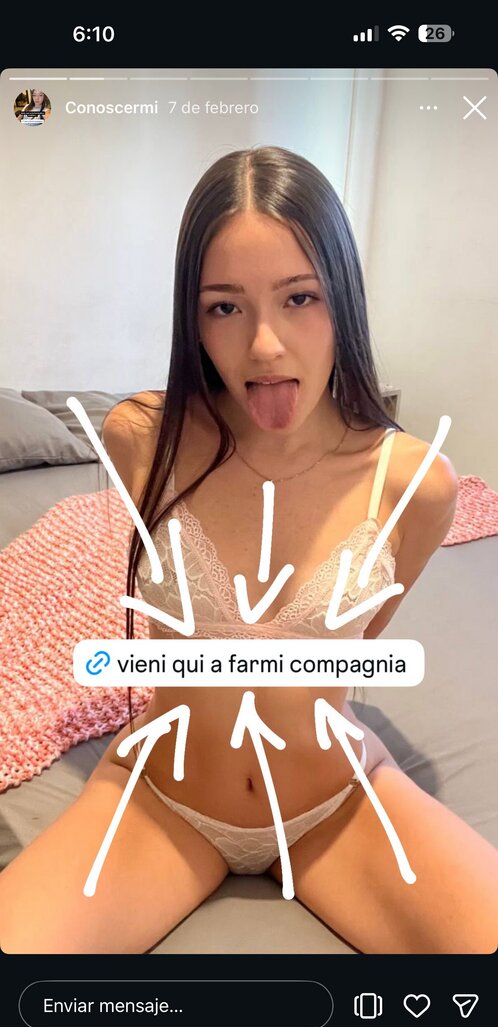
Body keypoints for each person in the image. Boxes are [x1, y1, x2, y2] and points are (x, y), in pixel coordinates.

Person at [1, 146, 497, 955]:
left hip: (338, 803)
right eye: (224, 307)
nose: (264, 345)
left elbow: (358, 645)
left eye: (299, 297)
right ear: (192, 319)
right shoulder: (139, 438)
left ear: (343, 297)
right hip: (162, 800)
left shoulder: (419, 485)